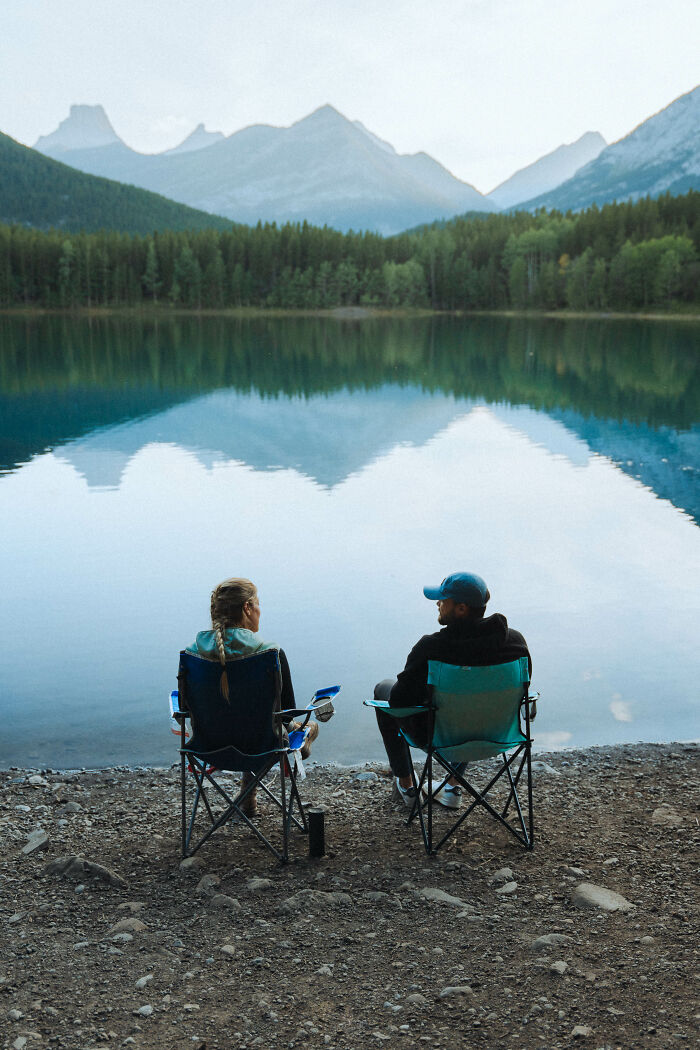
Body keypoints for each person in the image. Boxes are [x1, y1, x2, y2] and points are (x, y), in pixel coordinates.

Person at [374, 572, 531, 809]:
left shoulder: (431, 647)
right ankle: (453, 785)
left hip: (440, 737)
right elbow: (523, 688)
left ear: (461, 609)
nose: (437, 604)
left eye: (442, 600)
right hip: (496, 733)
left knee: (383, 690)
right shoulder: (515, 643)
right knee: (473, 706)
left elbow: (398, 702)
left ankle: (407, 786)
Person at [187, 577, 318, 815]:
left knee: (252, 722)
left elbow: (185, 708)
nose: (260, 610)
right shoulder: (270, 654)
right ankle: (306, 734)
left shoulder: (192, 655)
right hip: (261, 747)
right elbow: (286, 712)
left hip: (207, 747)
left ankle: (248, 794)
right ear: (247, 607)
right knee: (275, 726)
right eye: (257, 603)